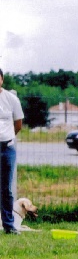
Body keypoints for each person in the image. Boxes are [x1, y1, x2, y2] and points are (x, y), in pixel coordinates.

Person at [0, 67, 24, 235]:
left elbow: (18, 124)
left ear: (1, 79)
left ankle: (9, 225)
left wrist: (7, 138)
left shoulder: (11, 99)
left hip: (7, 148)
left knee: (6, 189)